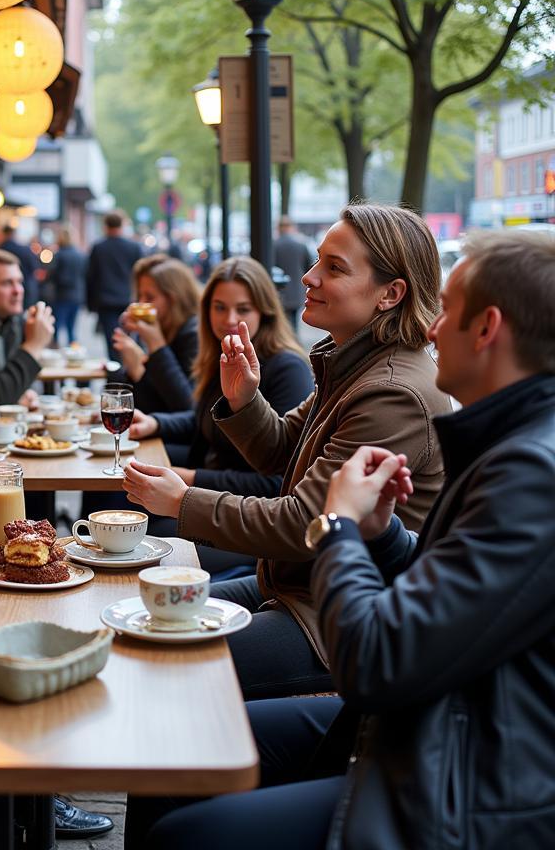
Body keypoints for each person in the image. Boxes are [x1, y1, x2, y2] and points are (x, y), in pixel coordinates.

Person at [131, 227, 555, 850]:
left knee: (182, 777)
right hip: (410, 707)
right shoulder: (359, 368)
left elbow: (376, 656)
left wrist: (340, 528)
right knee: (161, 652)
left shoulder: (500, 455)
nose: (432, 331)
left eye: (448, 315)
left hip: (447, 762)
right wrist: (377, 536)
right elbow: (292, 458)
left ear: (487, 328)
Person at [123, 203, 450, 699]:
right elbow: (280, 449)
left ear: (391, 293)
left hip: (337, 618)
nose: (309, 277)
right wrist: (244, 398)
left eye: (334, 268)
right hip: (295, 588)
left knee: (161, 656)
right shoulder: (353, 362)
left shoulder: (392, 392)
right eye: (318, 260)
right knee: (141, 613)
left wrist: (182, 502)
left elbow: (309, 524)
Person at [130, 257, 313, 577]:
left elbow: (274, 483)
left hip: (245, 520)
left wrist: (188, 477)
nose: (229, 319)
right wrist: (156, 423)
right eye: (219, 307)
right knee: (124, 510)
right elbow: (205, 420)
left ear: (264, 312)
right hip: (211, 497)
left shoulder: (287, 368)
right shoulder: (221, 355)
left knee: (140, 538)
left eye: (243, 309)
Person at [0, 248, 55, 407]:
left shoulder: (13, 322)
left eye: (19, 282)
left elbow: (6, 387)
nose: (18, 290)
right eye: (7, 283)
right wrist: (33, 345)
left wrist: (20, 392)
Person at [112, 254, 200, 414]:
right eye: (140, 296)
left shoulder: (194, 334)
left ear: (174, 299)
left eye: (150, 297)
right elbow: (146, 404)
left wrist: (156, 346)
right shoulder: (155, 327)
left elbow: (187, 408)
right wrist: (133, 369)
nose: (141, 303)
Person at [86, 212, 144, 361]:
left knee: (112, 343)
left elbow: (91, 277)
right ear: (122, 225)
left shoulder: (99, 248)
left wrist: (91, 304)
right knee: (131, 341)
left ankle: (116, 376)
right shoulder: (134, 247)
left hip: (106, 302)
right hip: (128, 301)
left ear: (106, 226)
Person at [47, 228, 86, 346]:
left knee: (56, 326)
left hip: (62, 295)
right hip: (77, 295)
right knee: (71, 328)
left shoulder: (59, 255)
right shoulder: (80, 255)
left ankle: (55, 348)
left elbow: (52, 275)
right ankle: (73, 349)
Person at [273, 215, 313, 330]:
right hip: (297, 290)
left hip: (279, 290)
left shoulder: (274, 245)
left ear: (279, 228)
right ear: (292, 227)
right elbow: (309, 267)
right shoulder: (301, 245)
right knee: (294, 323)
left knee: (281, 322)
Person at [0, 219, 40, 305]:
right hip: (27, 287)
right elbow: (34, 267)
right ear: (13, 234)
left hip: (5, 290)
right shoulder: (25, 250)